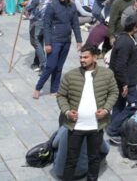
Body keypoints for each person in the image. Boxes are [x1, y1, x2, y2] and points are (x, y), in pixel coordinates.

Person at [56, 46, 118, 181]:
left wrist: (106, 109)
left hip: (96, 126)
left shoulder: (107, 74)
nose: (82, 60)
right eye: (81, 57)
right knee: (71, 159)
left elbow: (114, 92)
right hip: (75, 127)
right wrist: (67, 111)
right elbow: (61, 95)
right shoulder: (70, 75)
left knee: (94, 159)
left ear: (95, 57)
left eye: (85, 57)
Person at [35, 0, 84, 98]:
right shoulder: (52, 6)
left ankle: (54, 89)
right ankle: (38, 88)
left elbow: (75, 24)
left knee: (59, 67)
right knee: (50, 66)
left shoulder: (72, 7)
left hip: (66, 41)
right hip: (54, 40)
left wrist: (79, 40)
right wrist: (47, 43)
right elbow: (47, 25)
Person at [105, 15, 137, 143]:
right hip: (125, 81)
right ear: (135, 27)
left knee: (119, 105)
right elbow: (120, 65)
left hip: (121, 79)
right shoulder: (126, 42)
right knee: (134, 104)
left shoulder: (125, 38)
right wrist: (125, 83)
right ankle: (113, 129)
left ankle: (115, 130)